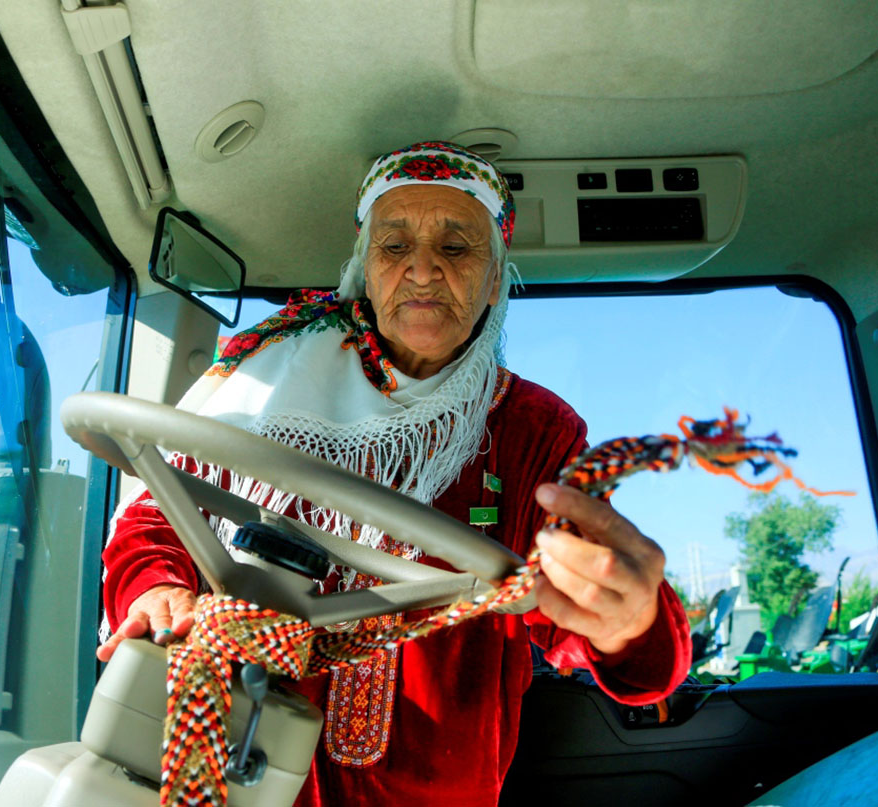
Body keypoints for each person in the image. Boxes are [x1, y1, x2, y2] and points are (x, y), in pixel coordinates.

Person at [99, 141, 691, 806]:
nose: (422, 269)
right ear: (365, 269)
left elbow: (613, 631)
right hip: (248, 774)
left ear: (494, 279)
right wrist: (156, 590)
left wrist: (631, 625)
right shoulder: (266, 385)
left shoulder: (535, 429)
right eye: (394, 244)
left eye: (457, 247)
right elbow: (154, 522)